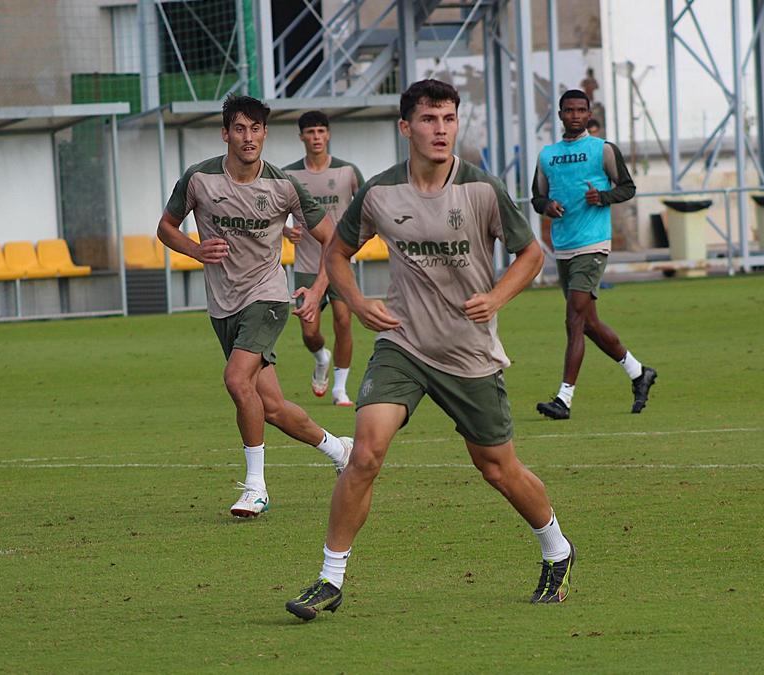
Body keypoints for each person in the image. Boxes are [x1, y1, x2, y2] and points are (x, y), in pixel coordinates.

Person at [284, 79, 576, 621]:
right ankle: (330, 578)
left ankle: (557, 548)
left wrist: (495, 297)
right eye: (428, 119)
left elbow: (531, 255)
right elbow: (338, 254)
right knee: (366, 453)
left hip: (468, 353)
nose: (440, 130)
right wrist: (358, 301)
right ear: (406, 127)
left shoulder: (482, 190)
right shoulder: (378, 192)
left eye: (448, 119)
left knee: (497, 468)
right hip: (403, 343)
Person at [156, 94, 353, 518]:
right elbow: (165, 228)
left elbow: (333, 242)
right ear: (226, 133)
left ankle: (256, 487)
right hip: (222, 304)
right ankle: (340, 450)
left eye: (256, 129)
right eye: (240, 129)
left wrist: (318, 289)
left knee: (234, 379)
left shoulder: (284, 185)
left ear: (265, 133)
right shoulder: (199, 179)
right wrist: (195, 249)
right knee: (274, 407)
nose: (249, 137)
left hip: (267, 295)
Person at [531, 89, 656, 419]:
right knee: (587, 323)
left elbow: (627, 187)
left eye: (581, 110)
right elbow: (536, 198)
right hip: (564, 247)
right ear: (559, 115)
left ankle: (564, 399)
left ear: (589, 114)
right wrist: (548, 206)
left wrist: (602, 197)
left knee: (573, 318)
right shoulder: (547, 156)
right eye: (569, 110)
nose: (575, 115)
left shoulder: (603, 150)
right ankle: (638, 372)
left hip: (594, 244)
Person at [282, 111, 365, 407]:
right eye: (310, 132)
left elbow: (367, 207)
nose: (316, 137)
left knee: (344, 320)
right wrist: (284, 229)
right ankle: (321, 358)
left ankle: (340, 389)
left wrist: (358, 235)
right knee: (309, 331)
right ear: (301, 136)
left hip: (340, 262)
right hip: (306, 264)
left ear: (328, 135)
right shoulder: (289, 175)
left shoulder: (347, 172)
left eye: (321, 131)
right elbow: (270, 213)